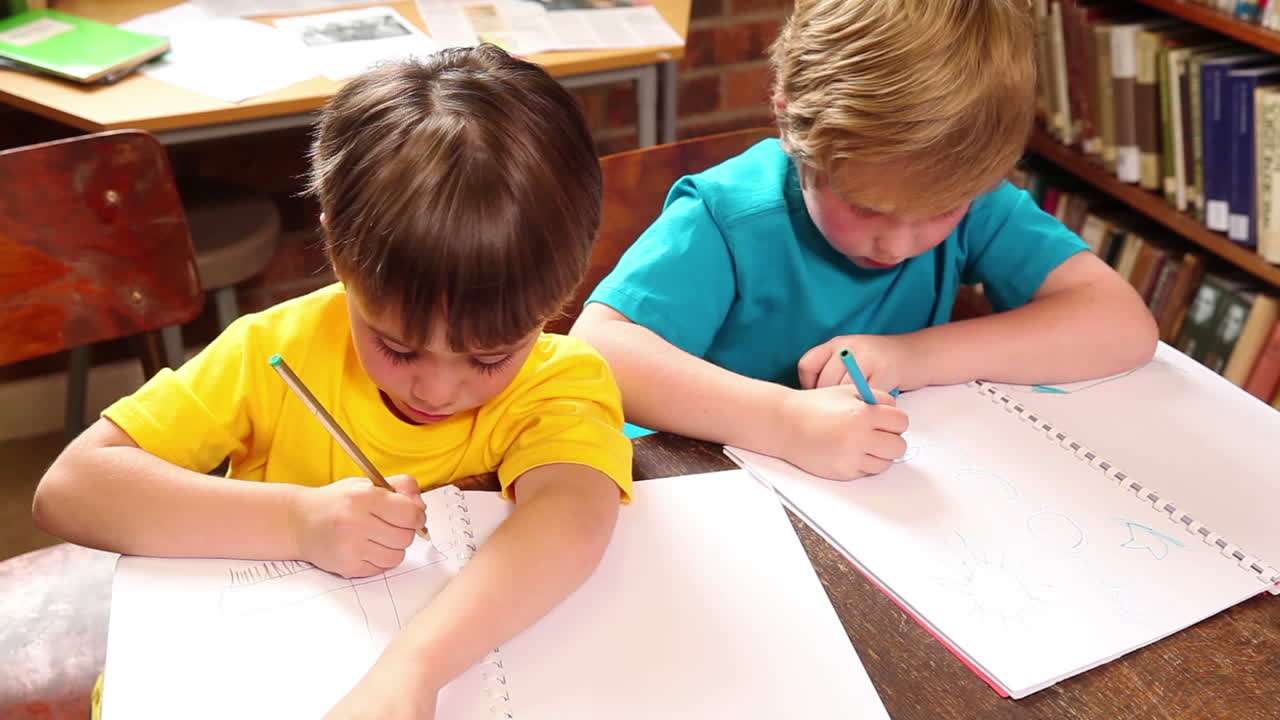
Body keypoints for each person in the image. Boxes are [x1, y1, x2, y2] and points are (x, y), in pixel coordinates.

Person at [33, 45, 632, 720]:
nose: (435, 391)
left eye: (489, 358)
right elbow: (70, 491)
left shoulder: (563, 380)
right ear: (336, 248)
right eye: (398, 346)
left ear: (559, 294)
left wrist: (413, 669)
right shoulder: (275, 350)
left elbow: (574, 520)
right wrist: (298, 522)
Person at [570, 0, 1158, 482]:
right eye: (865, 206)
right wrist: (784, 421)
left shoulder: (969, 189)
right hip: (709, 490)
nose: (900, 244)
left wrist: (915, 356)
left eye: (943, 211)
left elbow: (1122, 325)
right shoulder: (729, 217)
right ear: (789, 122)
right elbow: (599, 350)